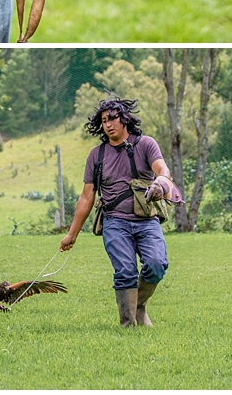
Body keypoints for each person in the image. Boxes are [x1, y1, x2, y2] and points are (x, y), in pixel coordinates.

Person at [60, 96, 182, 327]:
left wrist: (161, 182)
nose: (108, 124)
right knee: (125, 271)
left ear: (125, 118)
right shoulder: (97, 156)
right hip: (115, 222)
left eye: (113, 118)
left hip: (147, 220)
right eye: (104, 120)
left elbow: (162, 169)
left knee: (157, 264)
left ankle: (138, 305)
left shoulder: (145, 144)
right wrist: (72, 234)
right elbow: (87, 197)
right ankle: (128, 325)